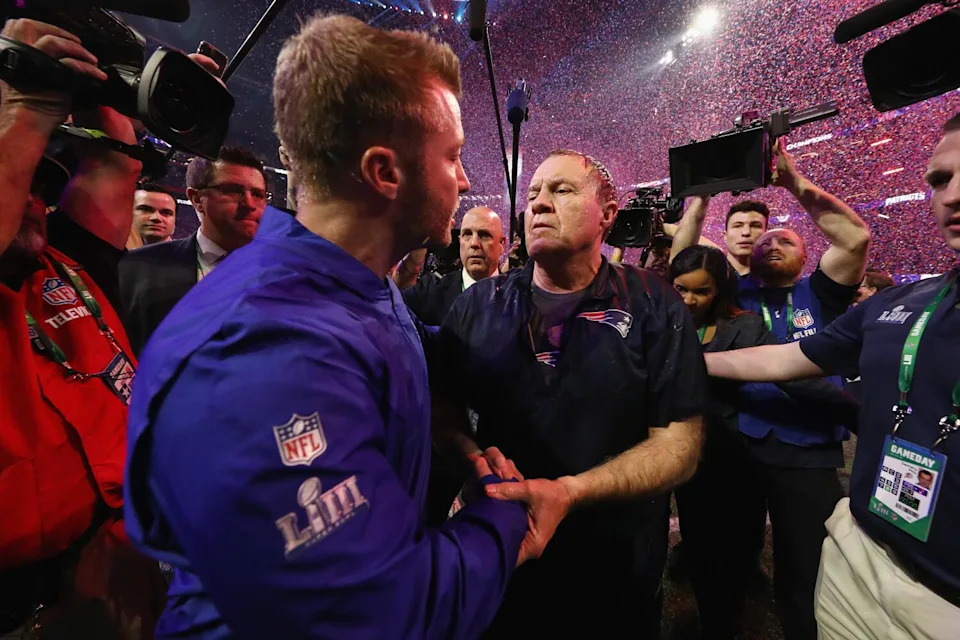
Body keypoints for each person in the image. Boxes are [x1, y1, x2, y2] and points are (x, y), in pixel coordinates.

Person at [124, 14, 536, 639]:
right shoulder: (262, 352)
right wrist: (505, 520)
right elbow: (378, 615)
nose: (465, 177)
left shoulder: (358, 285)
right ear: (385, 172)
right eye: (451, 156)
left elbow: (406, 362)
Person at [704, 114, 960, 639]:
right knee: (737, 548)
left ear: (808, 259)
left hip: (809, 450)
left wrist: (793, 182)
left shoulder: (822, 293)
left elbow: (854, 235)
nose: (770, 245)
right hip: (750, 443)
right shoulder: (736, 292)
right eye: (939, 180)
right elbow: (779, 359)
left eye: (786, 241)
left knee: (802, 563)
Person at [433, 149, 708, 637]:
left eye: (561, 190)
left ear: (608, 214)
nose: (538, 204)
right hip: (505, 555)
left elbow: (679, 446)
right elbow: (444, 412)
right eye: (534, 193)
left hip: (615, 567)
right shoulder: (477, 305)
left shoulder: (654, 303)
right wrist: (472, 458)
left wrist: (569, 492)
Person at [0, 17, 171, 638]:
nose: (35, 198)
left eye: (46, 183)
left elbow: (114, 164)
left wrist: (115, 83)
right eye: (21, 174)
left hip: (121, 559)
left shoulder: (63, 259)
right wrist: (24, 104)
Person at [669, 245, 859, 640]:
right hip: (679, 456)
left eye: (700, 291)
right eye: (680, 289)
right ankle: (715, 624)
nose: (689, 300)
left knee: (735, 547)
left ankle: (734, 617)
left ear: (719, 290)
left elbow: (788, 373)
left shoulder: (745, 326)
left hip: (730, 457)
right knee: (701, 547)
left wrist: (858, 413)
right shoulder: (661, 323)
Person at [118, 146, 268, 356]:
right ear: (197, 199)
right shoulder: (139, 268)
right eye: (233, 191)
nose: (250, 204)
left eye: (258, 194)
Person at [398, 206, 506, 324]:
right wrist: (415, 252)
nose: (474, 243)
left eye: (484, 235)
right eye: (467, 234)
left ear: (502, 244)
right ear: (460, 241)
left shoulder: (519, 296)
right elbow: (387, 306)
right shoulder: (430, 294)